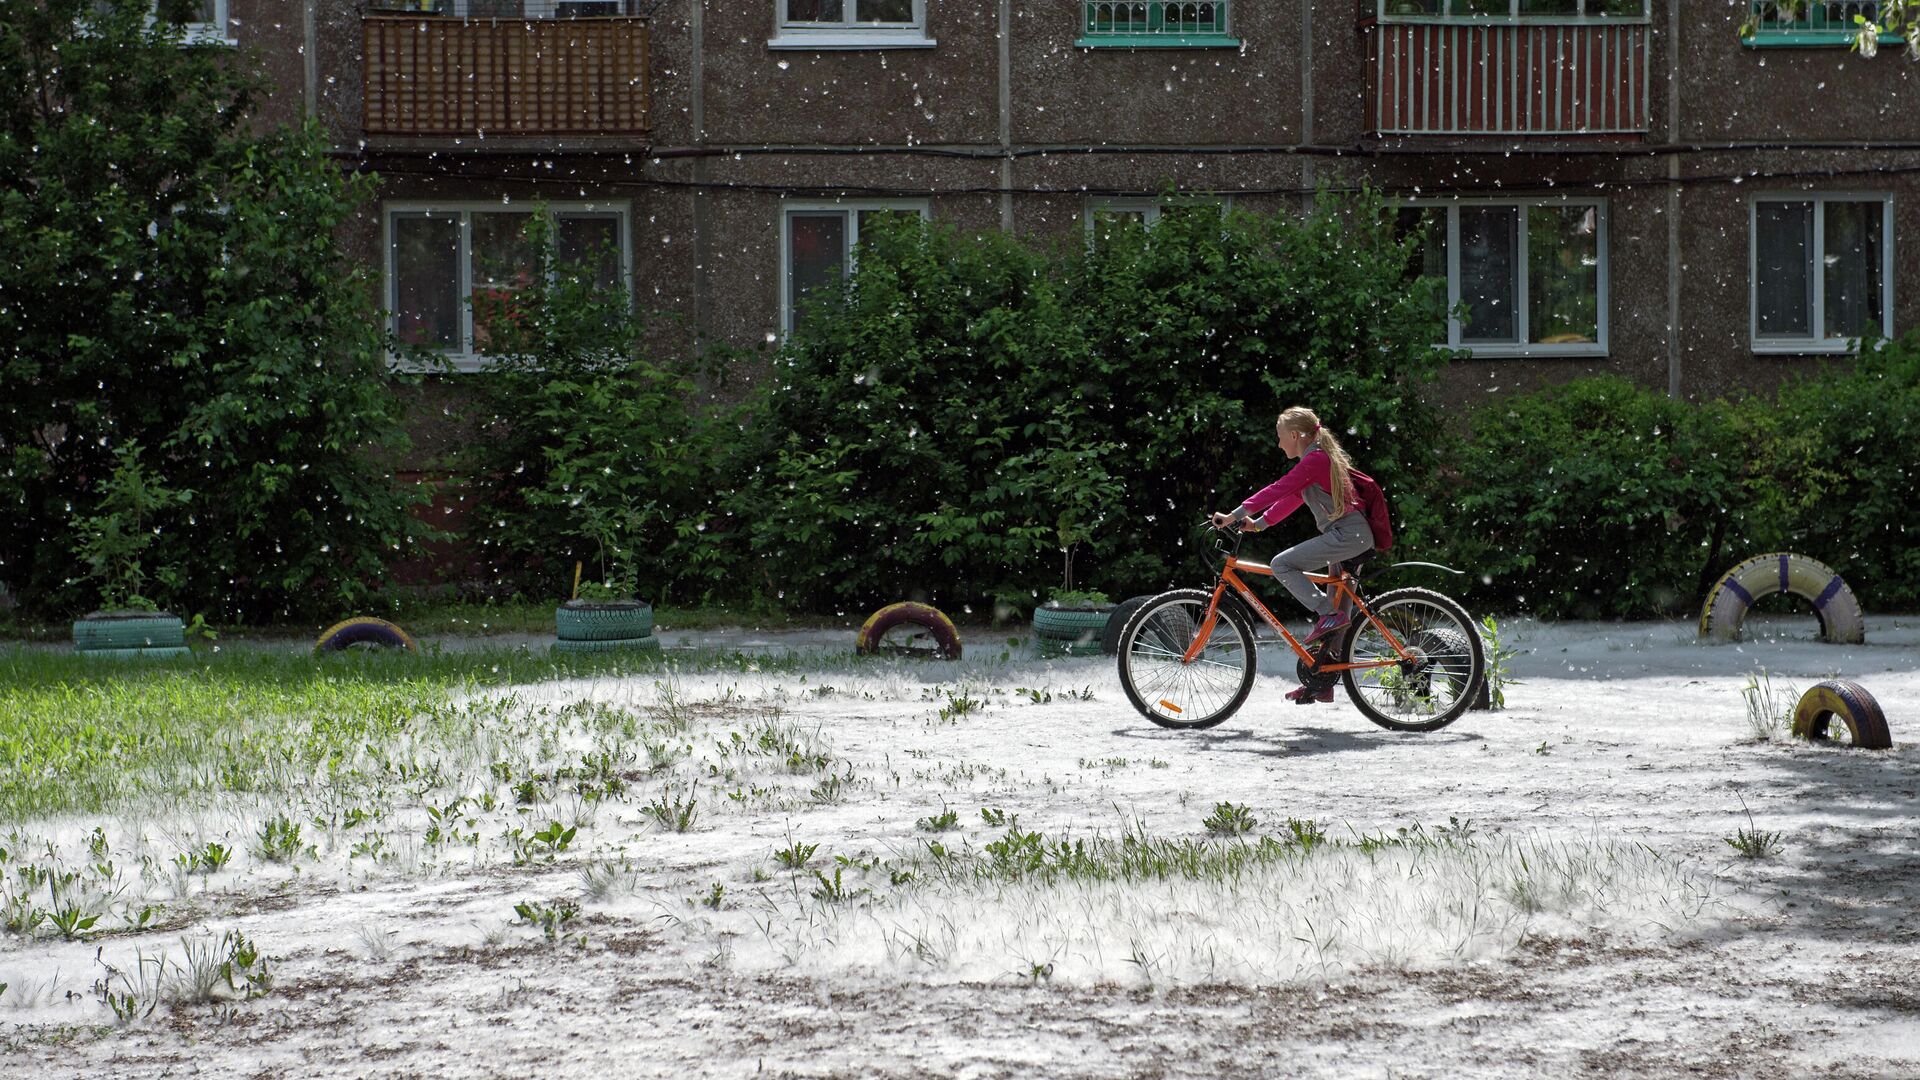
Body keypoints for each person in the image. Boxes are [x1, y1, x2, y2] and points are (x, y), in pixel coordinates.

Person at [1208, 406, 1375, 704]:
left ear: (1296, 435)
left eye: (1280, 437)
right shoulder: (1316, 460)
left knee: (1282, 564)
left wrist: (1234, 515)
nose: (1279, 443)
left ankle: (1328, 614)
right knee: (1340, 615)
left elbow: (1279, 488)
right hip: (1349, 537)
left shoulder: (1316, 459)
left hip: (1347, 536)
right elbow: (1293, 497)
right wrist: (1257, 524)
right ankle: (1321, 681)